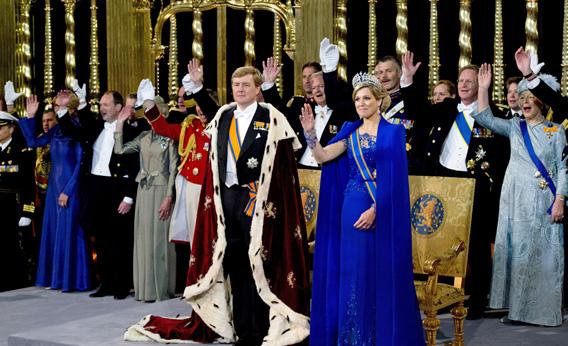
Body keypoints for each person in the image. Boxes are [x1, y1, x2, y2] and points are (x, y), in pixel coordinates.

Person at [125, 66, 310, 345]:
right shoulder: (224, 115)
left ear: (257, 88)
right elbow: (209, 112)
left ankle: (260, 329)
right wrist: (197, 86)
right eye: (236, 84)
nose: (240, 89)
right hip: (228, 201)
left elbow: (283, 167)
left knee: (257, 265)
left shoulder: (271, 117)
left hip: (256, 203)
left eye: (246, 85)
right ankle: (242, 329)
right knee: (234, 264)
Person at [305, 72, 424, 345]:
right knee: (354, 272)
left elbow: (394, 179)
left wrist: (376, 209)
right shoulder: (349, 132)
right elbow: (323, 156)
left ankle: (380, 336)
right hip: (351, 208)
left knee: (379, 272)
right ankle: (354, 337)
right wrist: (311, 134)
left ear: (379, 101)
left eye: (367, 98)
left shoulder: (394, 132)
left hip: (382, 209)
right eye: (357, 99)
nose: (361, 103)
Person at [475, 63, 566, 326]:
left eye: (530, 97)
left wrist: (560, 200)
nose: (524, 101)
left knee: (544, 255)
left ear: (542, 101)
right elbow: (484, 118)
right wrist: (483, 88)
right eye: (522, 97)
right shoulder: (515, 128)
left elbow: (564, 169)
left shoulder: (555, 130)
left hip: (544, 201)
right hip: (515, 202)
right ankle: (517, 311)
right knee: (517, 254)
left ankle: (545, 314)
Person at [57, 89, 142, 300]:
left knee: (119, 239)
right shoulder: (96, 127)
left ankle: (121, 285)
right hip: (95, 186)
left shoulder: (130, 132)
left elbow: (136, 167)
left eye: (106, 105)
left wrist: (129, 197)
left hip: (117, 188)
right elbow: (71, 132)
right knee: (100, 237)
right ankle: (105, 283)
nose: (102, 108)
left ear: (118, 108)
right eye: (101, 105)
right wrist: (61, 110)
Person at [19, 94, 91, 292]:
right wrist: (30, 117)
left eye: (61, 105)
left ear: (72, 107)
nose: (57, 107)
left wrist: (68, 190)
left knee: (70, 233)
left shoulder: (76, 128)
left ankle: (73, 280)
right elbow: (33, 143)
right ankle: (56, 278)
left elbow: (80, 163)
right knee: (53, 232)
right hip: (53, 190)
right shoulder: (57, 130)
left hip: (70, 188)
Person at [113, 95, 178, 302]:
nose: (149, 119)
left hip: (161, 190)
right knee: (143, 239)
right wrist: (120, 124)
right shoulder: (143, 137)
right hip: (143, 190)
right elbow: (119, 150)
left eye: (154, 114)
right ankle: (145, 289)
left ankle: (161, 289)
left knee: (159, 240)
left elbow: (173, 169)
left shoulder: (170, 139)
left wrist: (169, 197)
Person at [0, 111, 35, 291]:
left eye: (1, 128)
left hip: (13, 203)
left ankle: (15, 280)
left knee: (13, 246)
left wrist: (28, 211)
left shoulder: (21, 151)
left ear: (11, 129)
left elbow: (29, 184)